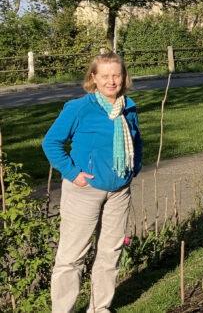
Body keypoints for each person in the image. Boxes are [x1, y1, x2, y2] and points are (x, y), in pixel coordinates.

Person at [42, 52, 142, 313]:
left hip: (119, 191)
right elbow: (50, 143)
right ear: (93, 78)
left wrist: (134, 167)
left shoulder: (128, 107)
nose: (111, 81)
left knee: (111, 252)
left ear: (124, 77)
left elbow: (136, 140)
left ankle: (100, 308)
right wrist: (72, 173)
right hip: (83, 190)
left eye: (116, 75)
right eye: (105, 76)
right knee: (72, 256)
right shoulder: (79, 108)